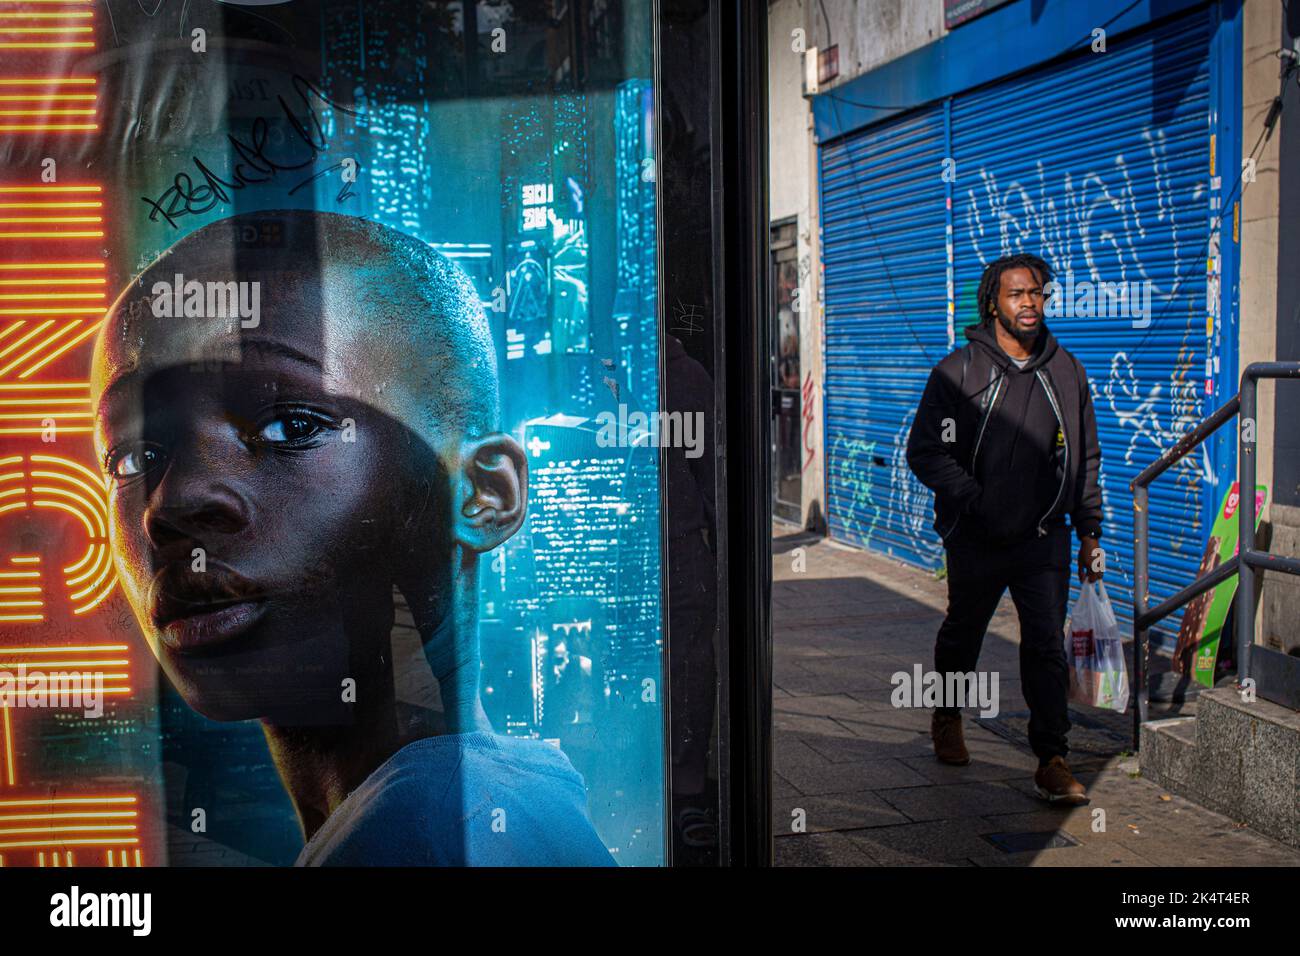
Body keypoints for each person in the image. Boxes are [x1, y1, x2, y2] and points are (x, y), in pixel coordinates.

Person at [91, 209, 616, 865]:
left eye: (290, 425)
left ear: (484, 495)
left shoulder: (421, 834)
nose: (173, 502)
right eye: (135, 457)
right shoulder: (489, 810)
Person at [905, 253, 1103, 806]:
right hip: (976, 538)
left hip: (1044, 539)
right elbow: (927, 451)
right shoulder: (957, 373)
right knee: (963, 635)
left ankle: (1051, 759)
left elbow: (1086, 455)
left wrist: (1090, 530)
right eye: (1017, 295)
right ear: (994, 302)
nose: (1029, 304)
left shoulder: (1066, 371)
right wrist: (973, 498)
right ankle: (948, 715)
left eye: (1037, 293)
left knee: (1044, 646)